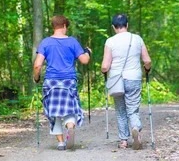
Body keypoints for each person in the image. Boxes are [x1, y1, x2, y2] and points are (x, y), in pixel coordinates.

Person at [33, 15, 91, 150]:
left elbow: (37, 65)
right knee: (70, 109)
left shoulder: (45, 43)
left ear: (53, 26)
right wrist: (88, 52)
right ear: (65, 25)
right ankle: (70, 127)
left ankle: (60, 142)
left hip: (51, 82)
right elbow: (84, 60)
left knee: (54, 112)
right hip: (68, 81)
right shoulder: (72, 42)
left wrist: (36, 78)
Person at [101, 14, 152, 150]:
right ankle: (136, 129)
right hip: (133, 78)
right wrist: (147, 69)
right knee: (133, 109)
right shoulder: (137, 39)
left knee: (120, 110)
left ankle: (124, 141)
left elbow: (105, 66)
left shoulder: (110, 41)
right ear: (127, 25)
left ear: (113, 27)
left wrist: (104, 71)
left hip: (117, 80)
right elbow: (147, 61)